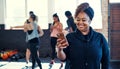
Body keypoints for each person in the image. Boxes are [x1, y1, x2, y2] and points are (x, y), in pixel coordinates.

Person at [56, 2, 110, 69]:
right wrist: (60, 50)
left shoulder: (99, 38)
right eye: (78, 19)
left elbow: (106, 61)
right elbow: (63, 58)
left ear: (90, 21)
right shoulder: (69, 37)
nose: (80, 22)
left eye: (84, 20)